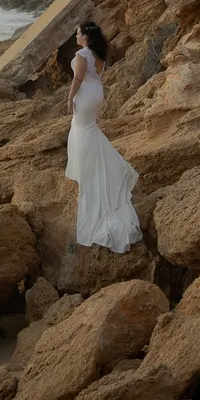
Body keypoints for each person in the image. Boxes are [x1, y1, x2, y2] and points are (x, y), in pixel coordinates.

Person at [65, 21, 143, 253]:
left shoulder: (82, 54)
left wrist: (69, 99)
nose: (75, 36)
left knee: (82, 130)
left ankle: (89, 172)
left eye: (77, 33)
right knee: (87, 129)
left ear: (85, 36)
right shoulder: (98, 54)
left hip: (86, 94)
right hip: (96, 93)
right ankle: (92, 167)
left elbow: (77, 79)